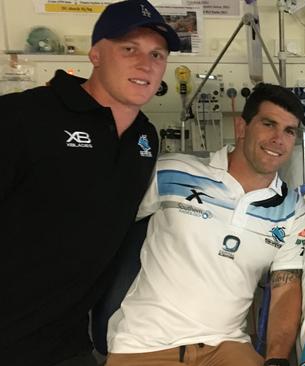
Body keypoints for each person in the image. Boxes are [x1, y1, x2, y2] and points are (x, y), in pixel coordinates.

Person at [0, 1, 179, 365]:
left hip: (66, 342)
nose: (146, 64)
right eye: (129, 49)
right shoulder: (23, 117)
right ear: (95, 54)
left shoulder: (145, 138)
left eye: (157, 54)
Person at [105, 83, 305, 366]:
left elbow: (285, 288)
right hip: (144, 344)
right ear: (242, 127)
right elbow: (104, 223)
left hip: (227, 346)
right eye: (268, 124)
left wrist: (276, 359)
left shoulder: (291, 209)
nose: (279, 139)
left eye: (289, 131)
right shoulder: (173, 171)